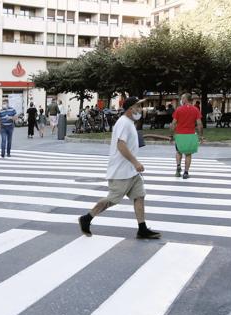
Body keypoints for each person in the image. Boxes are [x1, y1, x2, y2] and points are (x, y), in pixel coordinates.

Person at [78, 97, 161, 240]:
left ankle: (142, 229)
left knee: (139, 196)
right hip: (121, 171)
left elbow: (131, 142)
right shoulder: (123, 123)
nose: (140, 109)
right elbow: (121, 145)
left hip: (131, 172)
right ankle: (87, 218)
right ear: (130, 109)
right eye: (138, 106)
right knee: (112, 200)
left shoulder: (129, 123)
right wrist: (136, 163)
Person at [171, 93, 203, 179]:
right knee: (188, 154)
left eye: (182, 98)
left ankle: (178, 166)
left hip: (179, 135)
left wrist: (171, 135)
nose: (181, 100)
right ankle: (186, 173)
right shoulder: (196, 110)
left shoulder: (178, 109)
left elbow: (173, 123)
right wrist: (200, 136)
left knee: (178, 152)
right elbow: (199, 124)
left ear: (185, 99)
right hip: (190, 135)